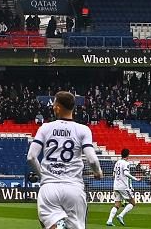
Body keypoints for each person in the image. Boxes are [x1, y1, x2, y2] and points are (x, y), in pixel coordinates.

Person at [27, 91, 102, 229]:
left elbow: (31, 157)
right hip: (73, 187)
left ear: (58, 107)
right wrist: (98, 172)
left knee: (49, 223)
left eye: (54, 103)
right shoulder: (83, 130)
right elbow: (92, 160)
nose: (53, 106)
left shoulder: (45, 128)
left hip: (49, 188)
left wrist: (43, 177)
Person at [107, 149, 138, 226]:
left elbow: (113, 174)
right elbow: (126, 173)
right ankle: (121, 215)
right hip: (123, 186)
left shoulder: (117, 162)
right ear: (128, 155)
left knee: (117, 204)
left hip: (116, 185)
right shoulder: (126, 163)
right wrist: (134, 178)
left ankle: (109, 221)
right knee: (133, 203)